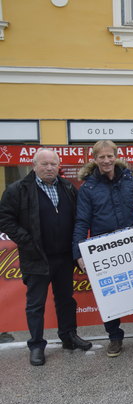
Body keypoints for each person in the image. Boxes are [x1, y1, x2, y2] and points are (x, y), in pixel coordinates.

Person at [0, 148, 92, 366]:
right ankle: (36, 346)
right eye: (44, 164)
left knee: (65, 300)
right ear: (34, 165)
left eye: (53, 164)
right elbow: (4, 219)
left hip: (63, 258)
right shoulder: (18, 189)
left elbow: (78, 217)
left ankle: (69, 337)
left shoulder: (68, 187)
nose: (49, 168)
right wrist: (26, 240)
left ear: (58, 166)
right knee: (36, 304)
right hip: (36, 257)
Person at [73, 140, 133, 357]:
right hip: (104, 251)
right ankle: (114, 338)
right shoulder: (88, 188)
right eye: (101, 157)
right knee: (109, 294)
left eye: (109, 156)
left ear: (116, 156)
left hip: (132, 244)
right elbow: (81, 223)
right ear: (94, 159)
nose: (106, 160)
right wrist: (78, 253)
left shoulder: (129, 180)